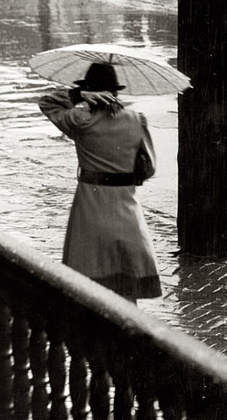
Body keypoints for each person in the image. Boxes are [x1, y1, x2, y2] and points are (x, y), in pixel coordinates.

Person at [39, 61, 162, 299]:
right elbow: (148, 168)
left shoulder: (79, 121)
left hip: (90, 211)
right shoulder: (137, 119)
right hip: (126, 211)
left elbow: (47, 101)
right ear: (116, 91)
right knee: (127, 290)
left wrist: (78, 95)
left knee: (88, 291)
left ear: (90, 90)